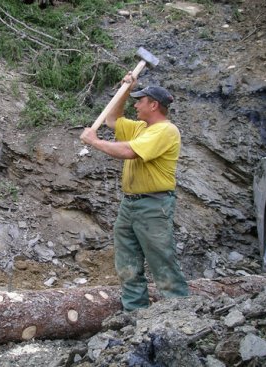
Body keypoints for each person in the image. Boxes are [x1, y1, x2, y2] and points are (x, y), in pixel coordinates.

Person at [80, 73, 188, 311]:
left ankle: (179, 315)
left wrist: (95, 142)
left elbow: (130, 152)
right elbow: (112, 119)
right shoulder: (140, 128)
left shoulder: (166, 131)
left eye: (140, 100)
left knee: (162, 261)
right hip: (130, 205)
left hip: (153, 205)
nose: (135, 105)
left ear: (154, 105)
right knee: (127, 263)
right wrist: (126, 90)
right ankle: (134, 314)